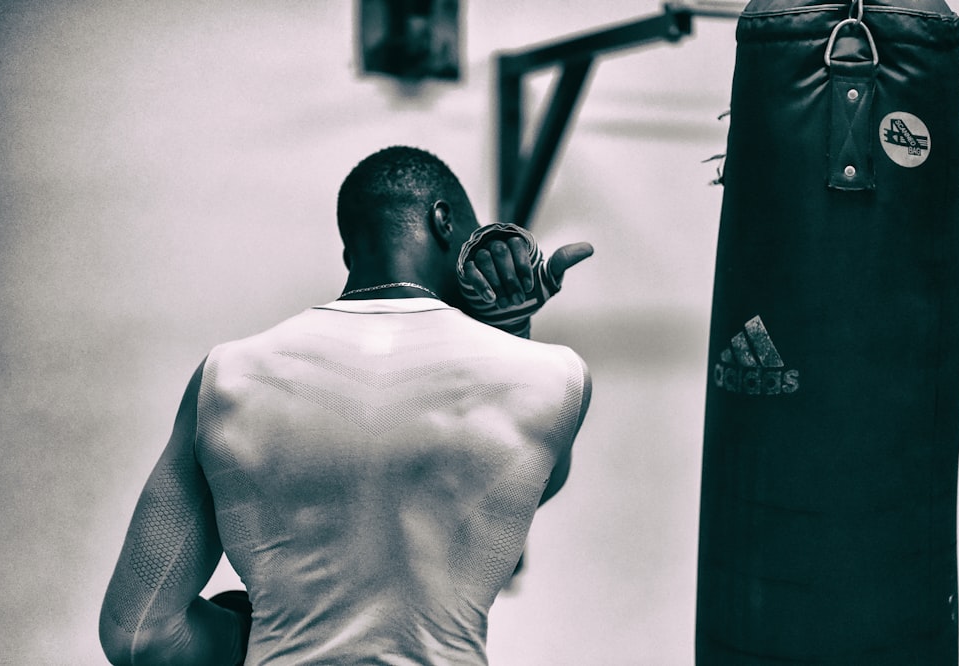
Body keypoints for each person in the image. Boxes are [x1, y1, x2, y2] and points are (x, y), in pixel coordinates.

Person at [98, 145, 593, 665]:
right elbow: (527, 492)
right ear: (445, 222)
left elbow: (139, 635)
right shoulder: (553, 378)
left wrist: (249, 633)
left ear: (349, 255)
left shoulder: (226, 376)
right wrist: (512, 334)